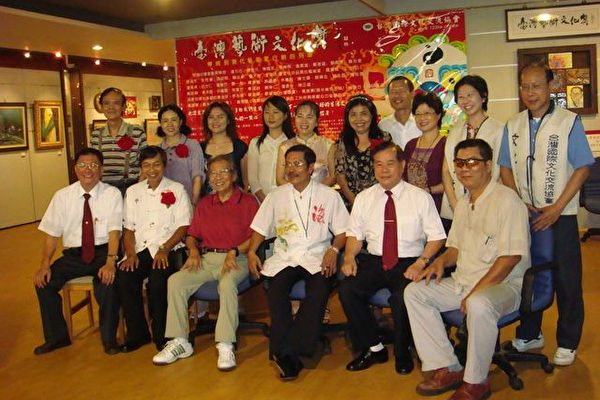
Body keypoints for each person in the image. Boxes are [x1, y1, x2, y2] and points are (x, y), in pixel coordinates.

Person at [404, 138, 530, 400]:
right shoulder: (462, 203)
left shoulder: (507, 201)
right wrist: (439, 262)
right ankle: (448, 366)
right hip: (464, 281)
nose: (464, 168)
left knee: (478, 304)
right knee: (414, 293)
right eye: (460, 163)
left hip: (503, 285)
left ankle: (476, 381)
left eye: (472, 162)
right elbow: (454, 249)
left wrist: (476, 291)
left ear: (488, 165)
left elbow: (510, 258)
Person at [499, 62, 594, 366]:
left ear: (551, 86)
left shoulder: (568, 122)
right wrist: (518, 202)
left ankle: (567, 341)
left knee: (567, 278)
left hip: (561, 214)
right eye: (525, 86)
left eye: (537, 85)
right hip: (526, 215)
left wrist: (556, 208)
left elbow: (583, 167)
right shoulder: (513, 125)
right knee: (529, 275)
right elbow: (504, 167)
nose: (531, 92)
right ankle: (530, 333)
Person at [339, 141, 446, 376]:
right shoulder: (364, 198)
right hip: (375, 260)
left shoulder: (420, 197)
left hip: (410, 261)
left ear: (402, 165)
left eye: (390, 164)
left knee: (401, 298)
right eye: (378, 164)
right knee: (347, 289)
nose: (384, 170)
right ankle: (373, 347)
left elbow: (437, 237)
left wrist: (421, 262)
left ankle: (402, 351)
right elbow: (355, 234)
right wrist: (349, 257)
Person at [247, 144, 349, 380]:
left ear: (311, 168)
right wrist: (252, 251)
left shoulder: (329, 195)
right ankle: (291, 353)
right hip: (285, 256)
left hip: (318, 256)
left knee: (318, 289)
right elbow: (260, 228)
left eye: (298, 164)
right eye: (288, 164)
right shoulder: (276, 196)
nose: (291, 169)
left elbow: (343, 231)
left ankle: (287, 352)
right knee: (276, 291)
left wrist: (334, 249)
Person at [152, 155, 259, 370]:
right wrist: (192, 250)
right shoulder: (205, 204)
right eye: (213, 173)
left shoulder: (247, 202)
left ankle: (225, 344)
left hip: (236, 258)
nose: (218, 177)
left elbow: (257, 235)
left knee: (227, 283)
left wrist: (236, 250)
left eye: (223, 172)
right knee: (176, 281)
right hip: (207, 259)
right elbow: (192, 235)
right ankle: (180, 341)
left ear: (234, 175)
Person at [33, 147, 121, 355]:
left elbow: (114, 232)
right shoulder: (62, 196)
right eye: (82, 165)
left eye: (93, 165)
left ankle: (109, 339)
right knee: (43, 283)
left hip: (102, 252)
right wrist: (44, 264)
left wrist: (111, 261)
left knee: (108, 284)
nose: (87, 170)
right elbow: (52, 235)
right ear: (75, 169)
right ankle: (57, 337)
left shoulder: (112, 194)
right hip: (74, 256)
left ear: (101, 170)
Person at [117, 146, 192, 352]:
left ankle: (163, 335)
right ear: (141, 168)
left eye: (156, 165)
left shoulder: (177, 189)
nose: (152, 170)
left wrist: (165, 248)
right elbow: (128, 228)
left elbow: (183, 225)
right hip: (141, 249)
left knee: (158, 281)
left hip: (169, 249)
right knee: (124, 277)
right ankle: (138, 333)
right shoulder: (133, 191)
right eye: (146, 165)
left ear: (164, 166)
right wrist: (130, 254)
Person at [441, 75, 503, 223]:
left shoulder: (499, 130)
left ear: (483, 96)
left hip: (488, 206)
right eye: (461, 97)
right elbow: (446, 170)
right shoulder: (455, 131)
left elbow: (501, 172)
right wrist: (456, 206)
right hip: (455, 207)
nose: (465, 101)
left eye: (470, 95)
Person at [335, 95, 392, 207]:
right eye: (353, 114)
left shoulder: (384, 138)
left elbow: (390, 170)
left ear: (372, 115)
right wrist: (356, 203)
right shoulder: (344, 142)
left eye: (364, 113)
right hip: (352, 203)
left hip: (381, 201)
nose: (358, 119)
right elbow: (340, 175)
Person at [90, 87, 147, 195]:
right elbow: (93, 165)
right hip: (103, 189)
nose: (111, 107)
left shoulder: (137, 131)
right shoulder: (96, 135)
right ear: (101, 107)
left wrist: (137, 189)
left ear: (124, 106)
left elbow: (146, 164)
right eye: (106, 103)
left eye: (116, 103)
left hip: (129, 188)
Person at [276, 100, 336, 186]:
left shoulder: (328, 145)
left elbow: (333, 176)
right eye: (300, 116)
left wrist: (315, 191)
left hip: (320, 193)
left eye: (309, 117)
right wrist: (297, 192)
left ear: (316, 122)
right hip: (291, 193)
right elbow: (280, 179)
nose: (304, 121)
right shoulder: (284, 147)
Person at [403, 92, 446, 213]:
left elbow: (453, 182)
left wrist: (428, 190)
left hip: (436, 208)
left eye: (427, 113)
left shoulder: (447, 145)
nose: (422, 118)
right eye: (418, 114)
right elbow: (403, 177)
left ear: (438, 115)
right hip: (411, 208)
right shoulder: (410, 145)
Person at [247, 96, 295, 202]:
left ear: (285, 116)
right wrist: (265, 201)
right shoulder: (256, 143)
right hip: (262, 202)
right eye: (267, 112)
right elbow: (253, 179)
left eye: (276, 112)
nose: (270, 116)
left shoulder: (293, 143)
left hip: (288, 199)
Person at [158, 104, 205, 207]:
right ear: (160, 124)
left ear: (180, 122)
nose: (170, 124)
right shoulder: (158, 149)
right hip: (163, 204)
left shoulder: (193, 145)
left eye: (174, 120)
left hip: (188, 202)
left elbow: (197, 177)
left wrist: (194, 203)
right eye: (165, 121)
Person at [201, 101, 247, 193]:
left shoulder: (240, 147)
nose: (215, 121)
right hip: (207, 200)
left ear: (228, 120)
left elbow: (246, 181)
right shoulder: (199, 148)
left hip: (235, 198)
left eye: (220, 117)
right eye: (211, 117)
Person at [378, 76, 422, 149]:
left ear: (412, 94)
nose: (397, 95)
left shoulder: (422, 120)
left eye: (402, 91)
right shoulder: (383, 125)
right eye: (393, 92)